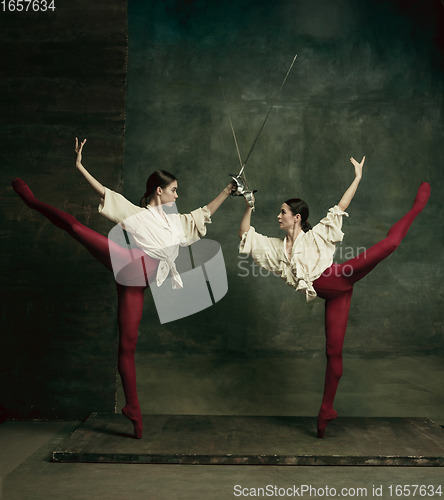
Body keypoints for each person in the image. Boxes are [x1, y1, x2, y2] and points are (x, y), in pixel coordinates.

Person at [12, 138, 236, 439]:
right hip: (129, 264)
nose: (177, 194)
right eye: (174, 189)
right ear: (160, 190)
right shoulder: (135, 213)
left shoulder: (179, 223)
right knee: (76, 228)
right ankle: (32, 201)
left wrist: (226, 191)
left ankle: (133, 408)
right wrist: (80, 166)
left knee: (128, 345)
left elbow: (204, 213)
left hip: (138, 283)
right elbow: (105, 192)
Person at [238, 156, 430, 438]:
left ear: (297, 217)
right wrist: (248, 207)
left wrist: (357, 178)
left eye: (282, 212)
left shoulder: (316, 236)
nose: (278, 216)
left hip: (341, 276)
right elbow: (246, 235)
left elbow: (341, 206)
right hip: (335, 297)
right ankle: (326, 409)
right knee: (333, 352)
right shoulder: (276, 249)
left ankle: (417, 207)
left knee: (389, 244)